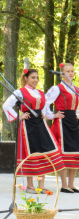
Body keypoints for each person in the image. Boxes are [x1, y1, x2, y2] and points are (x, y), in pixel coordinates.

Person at [2, 68, 65, 194]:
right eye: (32, 77)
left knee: (44, 153)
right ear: (26, 78)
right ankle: (30, 186)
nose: (35, 80)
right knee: (31, 155)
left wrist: (47, 115)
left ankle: (41, 185)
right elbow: (6, 105)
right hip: (28, 127)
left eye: (37, 77)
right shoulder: (20, 92)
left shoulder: (41, 93)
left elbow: (45, 108)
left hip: (41, 126)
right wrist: (18, 116)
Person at [44, 63, 79, 193]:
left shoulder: (76, 89)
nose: (70, 73)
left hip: (73, 122)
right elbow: (44, 102)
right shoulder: (57, 88)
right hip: (62, 122)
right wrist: (52, 115)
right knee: (63, 153)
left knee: (75, 153)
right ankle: (64, 184)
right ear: (62, 73)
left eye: (72, 71)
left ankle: (71, 184)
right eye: (67, 71)